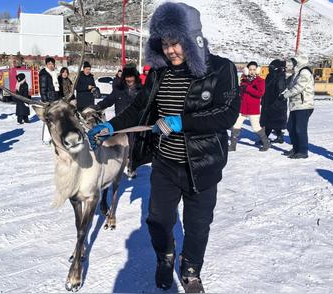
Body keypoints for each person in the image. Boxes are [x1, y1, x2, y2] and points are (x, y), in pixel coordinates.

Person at [88, 2, 240, 292]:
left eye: (176, 42)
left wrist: (184, 122)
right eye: (165, 43)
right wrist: (113, 125)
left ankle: (191, 269)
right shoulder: (159, 73)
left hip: (203, 165)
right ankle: (165, 256)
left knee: (197, 227)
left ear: (192, 38)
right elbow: (139, 108)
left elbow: (227, 114)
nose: (170, 50)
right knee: (158, 220)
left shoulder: (222, 68)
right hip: (166, 164)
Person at [93, 66, 143, 178]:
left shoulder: (141, 91)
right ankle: (115, 166)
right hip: (120, 123)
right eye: (127, 77)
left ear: (135, 77)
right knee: (117, 145)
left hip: (135, 124)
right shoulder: (118, 89)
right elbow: (109, 100)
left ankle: (131, 167)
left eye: (131, 77)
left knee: (132, 145)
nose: (129, 80)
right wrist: (98, 106)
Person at [228, 61, 269, 151]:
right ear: (247, 70)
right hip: (242, 108)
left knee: (255, 127)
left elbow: (260, 93)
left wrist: (248, 88)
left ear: (257, 70)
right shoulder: (243, 80)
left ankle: (266, 143)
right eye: (250, 69)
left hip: (253, 108)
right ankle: (233, 145)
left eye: (254, 69)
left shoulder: (260, 81)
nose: (252, 71)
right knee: (236, 125)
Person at [282, 54, 315, 159]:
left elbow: (299, 87)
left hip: (304, 104)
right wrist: (284, 91)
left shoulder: (304, 71)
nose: (292, 63)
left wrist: (286, 95)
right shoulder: (297, 73)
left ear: (300, 61)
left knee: (300, 129)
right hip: (295, 105)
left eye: (294, 61)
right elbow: (291, 86)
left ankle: (303, 151)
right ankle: (296, 148)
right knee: (291, 127)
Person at [260, 59, 288, 143]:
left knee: (271, 121)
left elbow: (280, 89)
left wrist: (275, 100)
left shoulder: (279, 76)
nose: (270, 68)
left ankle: (266, 138)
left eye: (271, 67)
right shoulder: (271, 75)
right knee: (272, 121)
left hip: (275, 103)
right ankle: (278, 136)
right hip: (269, 101)